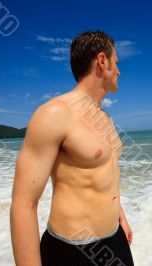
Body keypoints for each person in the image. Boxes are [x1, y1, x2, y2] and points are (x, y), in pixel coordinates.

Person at [10, 30, 135, 266]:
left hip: (115, 239)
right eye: (116, 63)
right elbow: (23, 204)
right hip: (72, 250)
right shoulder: (54, 114)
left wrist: (122, 218)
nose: (119, 71)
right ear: (101, 61)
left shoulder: (105, 119)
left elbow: (106, 177)